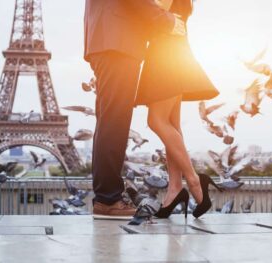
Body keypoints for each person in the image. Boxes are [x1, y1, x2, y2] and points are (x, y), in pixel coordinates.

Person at [84, 0, 187, 219]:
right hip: (118, 42)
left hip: (109, 38)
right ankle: (108, 200)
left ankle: (107, 197)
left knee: (110, 122)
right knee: (114, 123)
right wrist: (166, 20)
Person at [135, 0, 221, 218]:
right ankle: (175, 187)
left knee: (156, 121)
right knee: (171, 124)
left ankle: (193, 180)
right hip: (171, 51)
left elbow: (151, 10)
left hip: (166, 53)